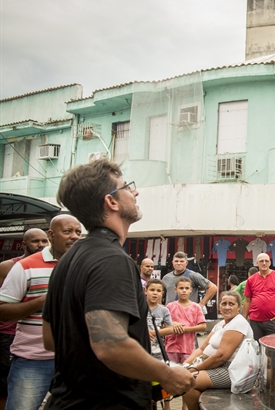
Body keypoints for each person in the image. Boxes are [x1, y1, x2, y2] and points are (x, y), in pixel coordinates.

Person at [42, 159, 195, 408]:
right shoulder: (112, 259)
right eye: (127, 187)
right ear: (111, 201)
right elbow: (109, 345)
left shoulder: (68, 259)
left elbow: (50, 339)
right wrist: (167, 375)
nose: (134, 192)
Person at [0, 215, 81, 410]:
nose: (75, 236)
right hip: (32, 361)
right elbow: (3, 311)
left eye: (78, 232)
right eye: (67, 231)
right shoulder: (24, 266)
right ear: (51, 235)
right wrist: (42, 302)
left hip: (75, 361)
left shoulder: (83, 265)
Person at [0, 228, 48, 410]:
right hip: (8, 334)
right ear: (24, 244)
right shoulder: (9, 266)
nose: (41, 245)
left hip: (38, 341)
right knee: (6, 385)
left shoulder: (52, 265)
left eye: (44, 241)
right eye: (36, 241)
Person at [181, 291, 253, 410]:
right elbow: (202, 348)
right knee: (185, 378)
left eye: (231, 304)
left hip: (232, 370)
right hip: (216, 365)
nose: (227, 307)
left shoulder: (238, 323)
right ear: (219, 306)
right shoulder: (220, 324)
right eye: (224, 304)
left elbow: (221, 356)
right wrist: (186, 364)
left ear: (239, 307)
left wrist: (193, 370)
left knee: (188, 381)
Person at [243, 253, 275, 341]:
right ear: (257, 263)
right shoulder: (251, 279)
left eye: (266, 261)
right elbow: (247, 301)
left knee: (274, 349)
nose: (264, 263)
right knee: (256, 348)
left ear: (270, 263)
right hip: (255, 321)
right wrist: (244, 320)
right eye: (261, 261)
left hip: (273, 320)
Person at [145, 279, 173, 410]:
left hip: (157, 354)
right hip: (141, 353)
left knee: (158, 385)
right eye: (152, 290)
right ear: (146, 291)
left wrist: (155, 332)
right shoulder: (138, 307)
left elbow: (170, 328)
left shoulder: (163, 310)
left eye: (158, 291)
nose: (155, 293)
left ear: (162, 293)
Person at [164, 277, 206, 364]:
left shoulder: (196, 307)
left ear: (191, 290)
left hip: (188, 348)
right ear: (175, 289)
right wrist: (173, 324)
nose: (184, 291)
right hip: (171, 347)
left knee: (186, 372)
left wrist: (185, 329)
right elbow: (163, 325)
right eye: (181, 288)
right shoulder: (170, 306)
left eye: (187, 288)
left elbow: (203, 326)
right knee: (171, 372)